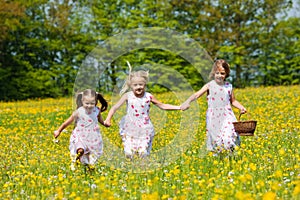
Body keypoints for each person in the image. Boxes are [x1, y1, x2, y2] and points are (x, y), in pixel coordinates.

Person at [104, 63, 181, 159]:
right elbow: (114, 107)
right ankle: (130, 161)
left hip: (144, 127)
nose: (138, 87)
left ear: (145, 85)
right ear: (131, 86)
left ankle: (142, 163)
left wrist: (179, 107)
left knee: (143, 151)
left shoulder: (148, 96)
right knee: (129, 151)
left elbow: (162, 105)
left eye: (141, 84)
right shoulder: (128, 96)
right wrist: (108, 119)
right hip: (129, 126)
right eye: (135, 85)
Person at [181, 59, 247, 153]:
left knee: (229, 136)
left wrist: (241, 107)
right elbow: (196, 94)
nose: (219, 76)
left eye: (222, 73)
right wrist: (187, 101)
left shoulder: (228, 86)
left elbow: (233, 101)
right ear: (213, 73)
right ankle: (220, 160)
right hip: (214, 117)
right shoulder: (209, 85)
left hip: (227, 116)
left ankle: (231, 157)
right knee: (217, 140)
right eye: (217, 73)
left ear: (226, 74)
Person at [54, 89, 108, 170]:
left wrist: (105, 123)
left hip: (93, 137)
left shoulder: (97, 110)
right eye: (87, 103)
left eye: (92, 103)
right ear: (82, 101)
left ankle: (89, 172)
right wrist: (58, 131)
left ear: (96, 102)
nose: (89, 106)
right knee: (80, 150)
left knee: (91, 160)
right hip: (80, 135)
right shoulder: (78, 112)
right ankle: (76, 160)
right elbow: (66, 123)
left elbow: (100, 120)